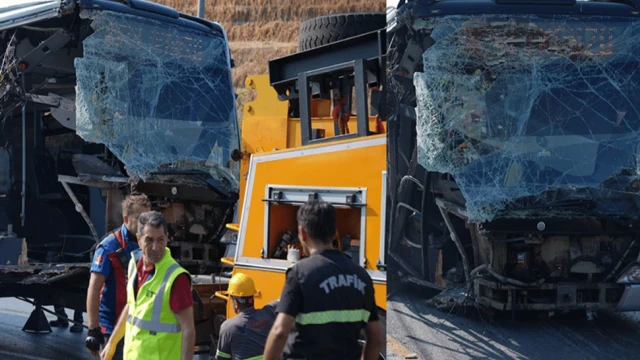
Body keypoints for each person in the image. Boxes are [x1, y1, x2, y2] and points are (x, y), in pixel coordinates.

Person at [263, 200, 384, 360]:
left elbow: (279, 332)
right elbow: (375, 339)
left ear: (303, 233)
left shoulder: (300, 273)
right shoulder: (361, 276)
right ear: (334, 232)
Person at [100, 210, 195, 360]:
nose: (156, 247)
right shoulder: (133, 264)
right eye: (149, 240)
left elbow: (188, 329)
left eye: (161, 240)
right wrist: (112, 342)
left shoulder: (176, 278)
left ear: (167, 239)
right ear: (139, 239)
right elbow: (132, 308)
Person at [85, 194, 151, 359]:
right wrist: (93, 329)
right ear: (126, 219)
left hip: (140, 329)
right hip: (112, 329)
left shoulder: (150, 245)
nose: (145, 224)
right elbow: (94, 288)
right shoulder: (109, 247)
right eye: (140, 218)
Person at [215, 273, 279, 360]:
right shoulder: (269, 313)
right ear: (252, 298)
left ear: (236, 303)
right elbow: (285, 297)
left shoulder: (228, 327)